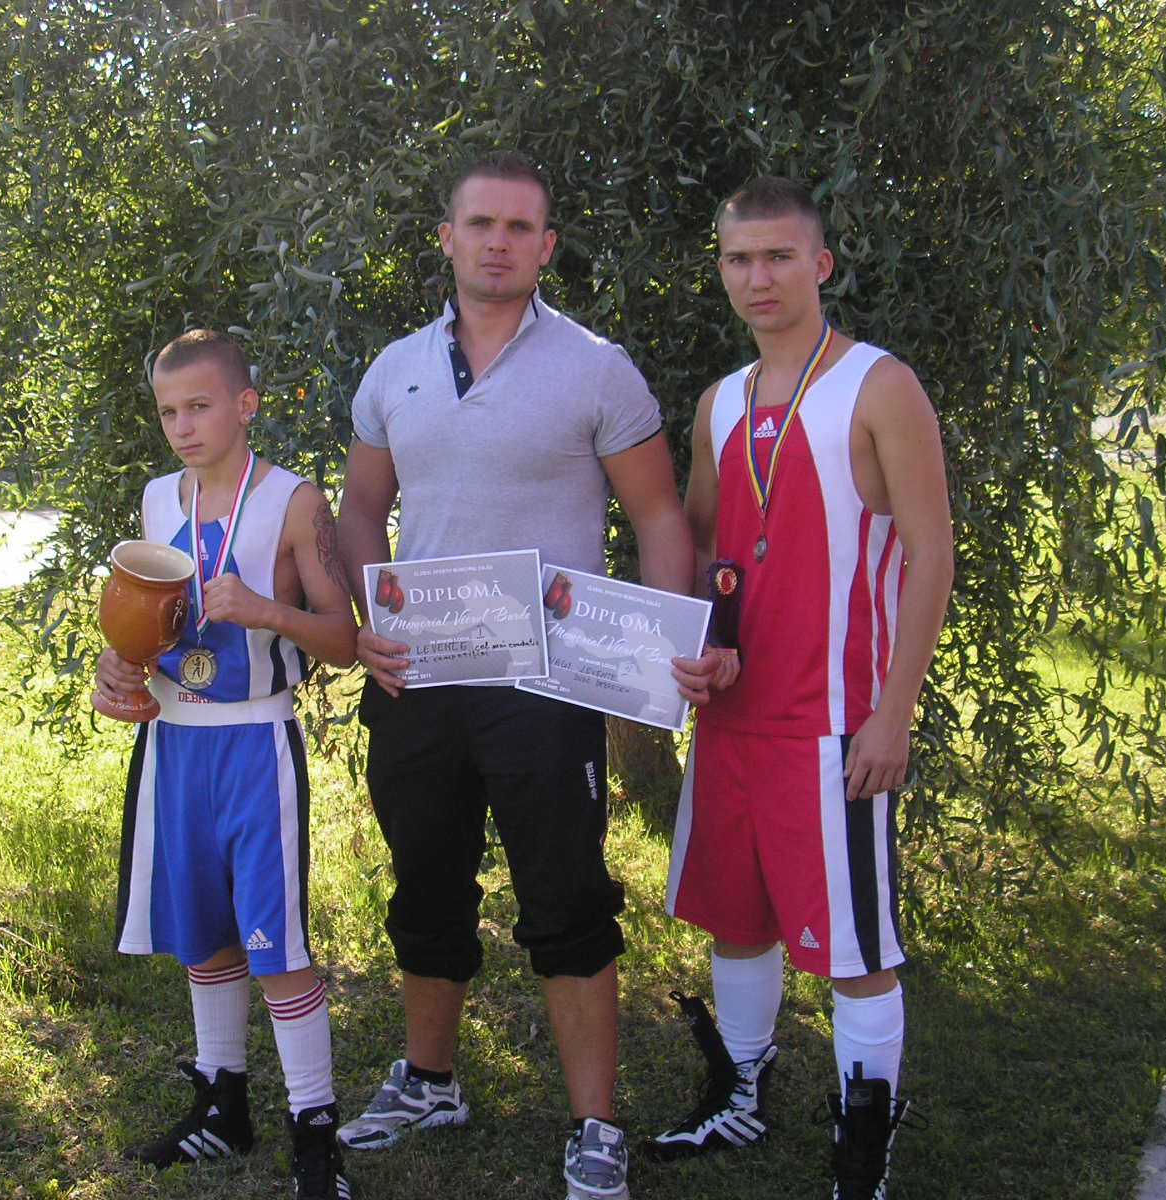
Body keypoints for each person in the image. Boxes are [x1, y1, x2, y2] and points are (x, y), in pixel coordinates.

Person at [334, 150, 727, 1200]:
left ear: (547, 246)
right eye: (481, 224)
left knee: (565, 895)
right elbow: (360, 510)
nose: (498, 243)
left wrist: (674, 639)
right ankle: (429, 1081)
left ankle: (595, 1125)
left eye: (519, 228)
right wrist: (368, 617)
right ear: (447, 238)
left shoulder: (596, 368)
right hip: (418, 675)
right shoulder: (393, 369)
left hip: (548, 686)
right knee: (425, 882)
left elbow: (656, 515)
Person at [649, 176, 953, 1200]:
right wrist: (704, 643)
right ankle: (740, 1095)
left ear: (819, 264)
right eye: (740, 258)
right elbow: (707, 549)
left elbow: (932, 555)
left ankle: (865, 1146)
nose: (759, 277)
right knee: (737, 918)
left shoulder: (878, 384)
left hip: (833, 725)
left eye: (780, 256)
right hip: (733, 719)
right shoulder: (720, 401)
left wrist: (893, 715)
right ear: (722, 269)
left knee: (856, 950)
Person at [94, 329, 359, 1199]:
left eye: (200, 406)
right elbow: (143, 629)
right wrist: (116, 667)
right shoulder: (156, 501)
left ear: (245, 405)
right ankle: (222, 1104)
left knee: (275, 945)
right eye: (169, 411)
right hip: (174, 742)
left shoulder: (294, 501)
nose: (183, 426)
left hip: (254, 741)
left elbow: (345, 640)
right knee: (201, 935)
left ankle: (315, 1133)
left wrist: (264, 610)